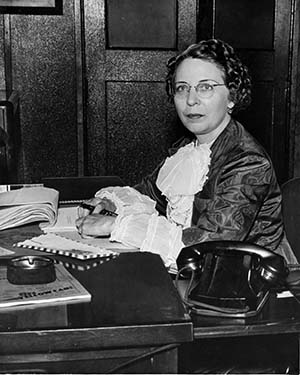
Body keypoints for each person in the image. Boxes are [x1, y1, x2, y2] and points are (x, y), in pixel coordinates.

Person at [75, 38, 297, 270]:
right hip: (192, 274)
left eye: (206, 87)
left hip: (241, 284)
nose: (191, 100)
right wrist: (108, 203)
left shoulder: (248, 162)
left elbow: (210, 245)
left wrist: (116, 226)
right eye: (182, 88)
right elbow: (151, 194)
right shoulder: (187, 147)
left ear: (232, 96)